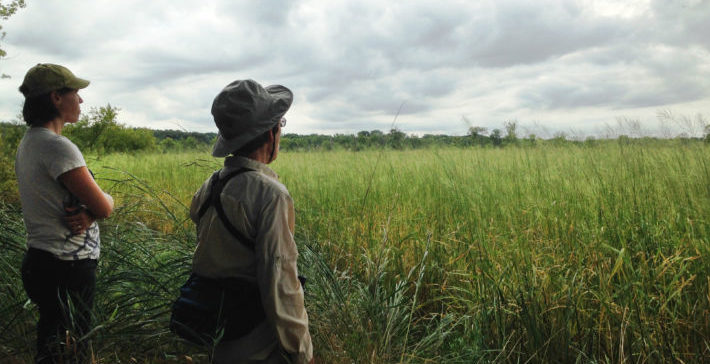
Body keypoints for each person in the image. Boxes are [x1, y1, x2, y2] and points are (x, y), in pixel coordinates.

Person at [189, 79, 313, 363]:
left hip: (220, 334)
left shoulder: (210, 185)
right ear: (271, 133)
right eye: (280, 123)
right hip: (257, 343)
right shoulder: (271, 194)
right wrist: (301, 350)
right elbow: (280, 281)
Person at [15, 63, 114, 363]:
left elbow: (78, 205)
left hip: (42, 260)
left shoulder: (29, 141)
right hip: (67, 268)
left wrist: (89, 215)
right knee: (70, 352)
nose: (81, 101)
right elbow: (105, 206)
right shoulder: (59, 148)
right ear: (56, 98)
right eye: (76, 93)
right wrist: (97, 209)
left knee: (53, 346)